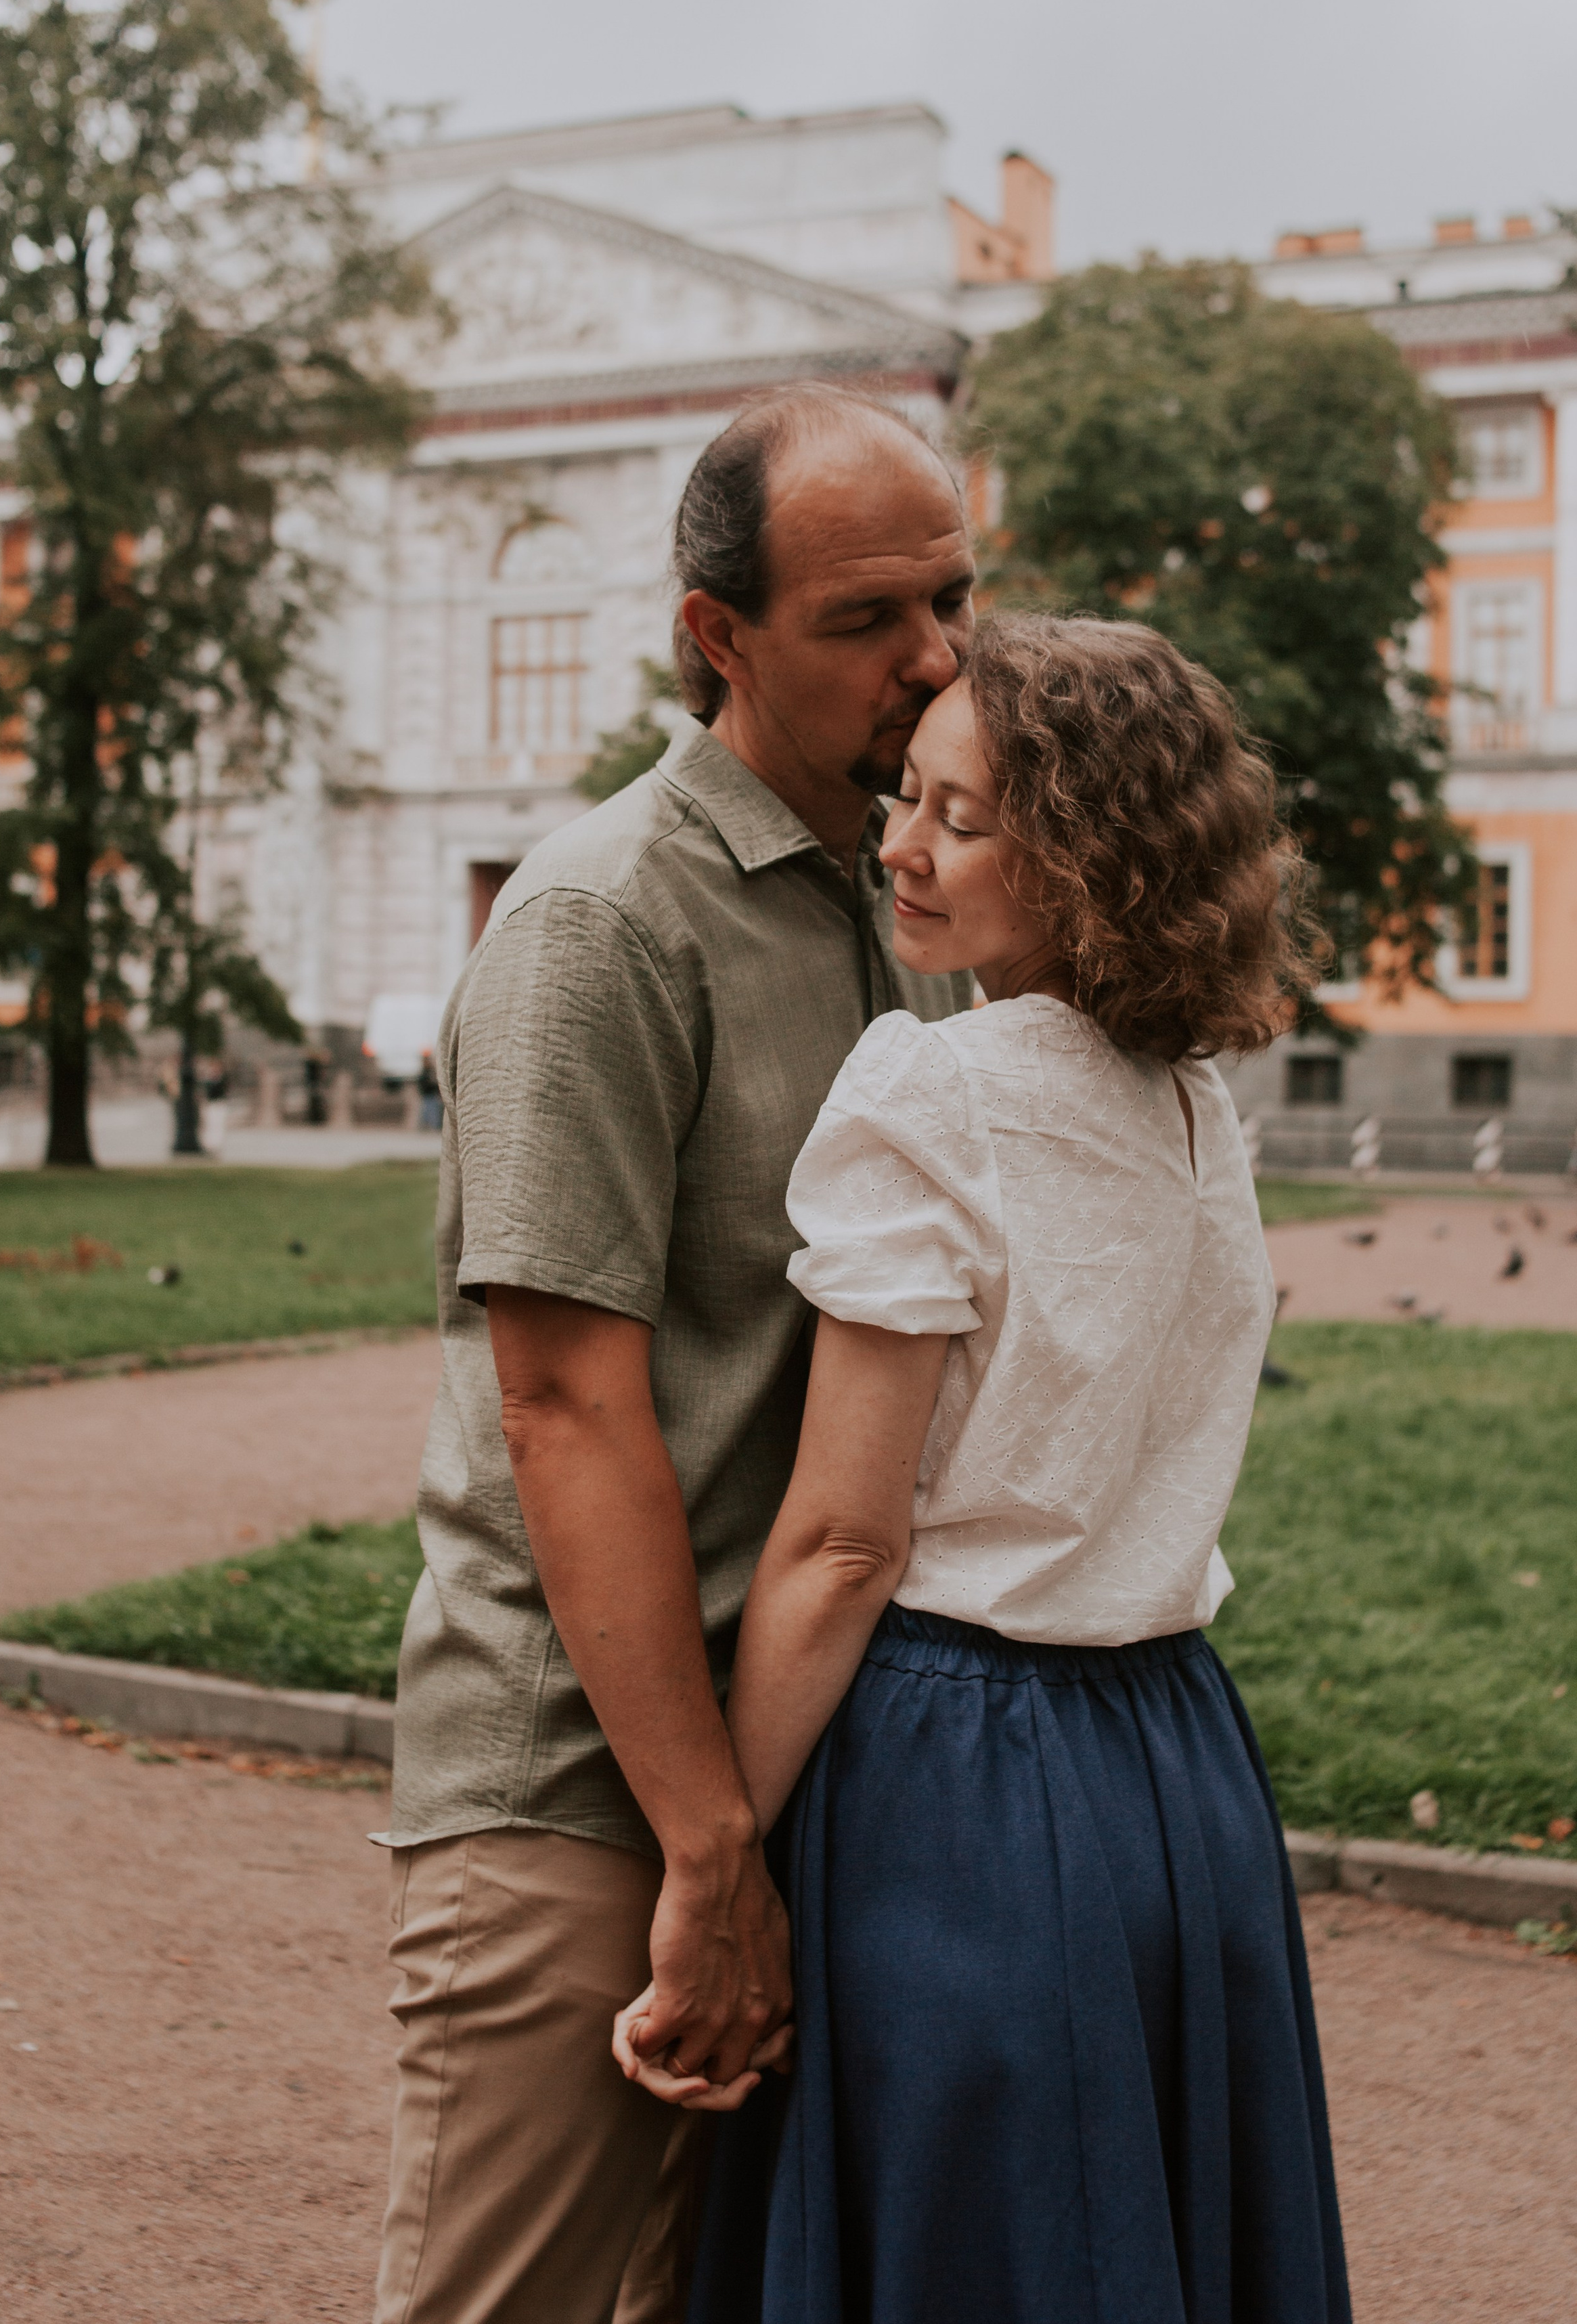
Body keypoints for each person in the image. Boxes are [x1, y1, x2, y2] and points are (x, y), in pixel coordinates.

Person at [618, 614, 1352, 2323]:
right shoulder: (1189, 1103)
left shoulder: (926, 1087)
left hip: (958, 1778)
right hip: (1176, 1761)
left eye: (956, 817)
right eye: (906, 800)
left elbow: (838, 1545)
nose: (895, 843)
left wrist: (711, 1850)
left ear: (1090, 860)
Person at [372, 385, 977, 2324]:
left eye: (953, 597)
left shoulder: (914, 910)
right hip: (587, 1790)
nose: (938, 656)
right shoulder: (599, 924)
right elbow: (562, 1404)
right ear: (718, 635)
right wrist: (705, 1846)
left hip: (809, 1769)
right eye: (867, 619)